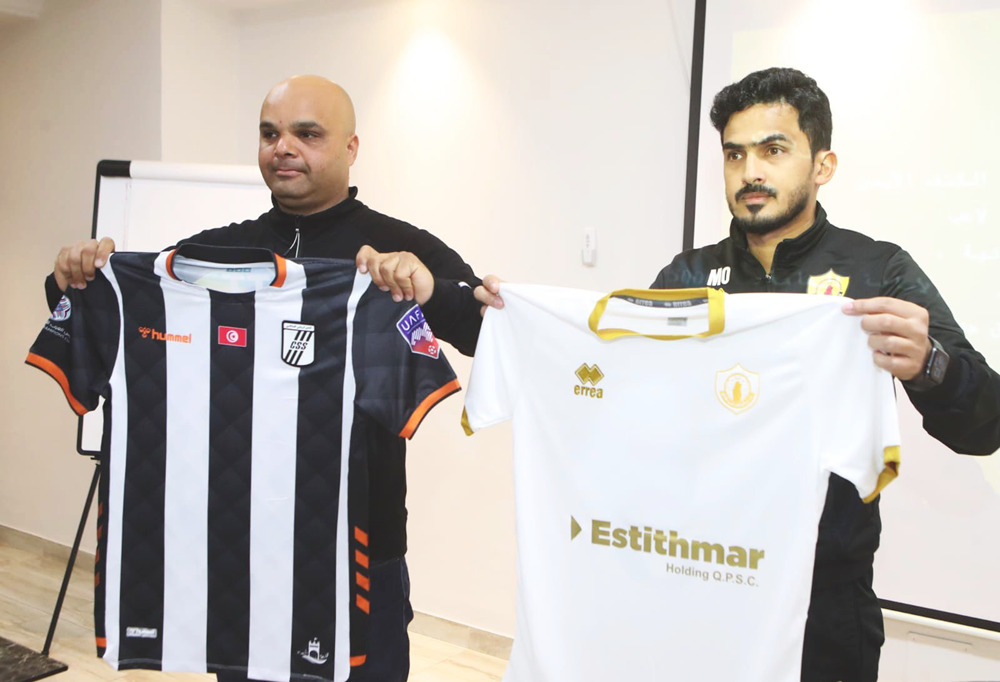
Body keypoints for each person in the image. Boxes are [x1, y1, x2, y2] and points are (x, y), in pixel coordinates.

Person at [476, 66, 1000, 681]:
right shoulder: (687, 276)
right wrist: (532, 328)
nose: (750, 171)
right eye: (734, 154)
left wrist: (931, 365)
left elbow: (984, 425)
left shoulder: (876, 270)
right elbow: (620, 402)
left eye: (773, 151)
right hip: (698, 580)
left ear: (823, 165)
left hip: (822, 607)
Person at [51, 75, 484, 682]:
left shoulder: (398, 247)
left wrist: (429, 290)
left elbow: (485, 331)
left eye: (308, 134)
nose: (284, 147)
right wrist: (72, 277)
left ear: (351, 148)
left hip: (363, 544)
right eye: (269, 133)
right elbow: (113, 312)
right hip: (241, 546)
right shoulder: (218, 252)